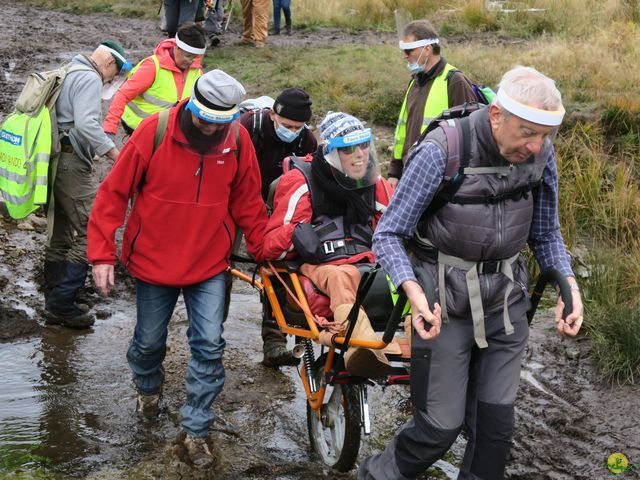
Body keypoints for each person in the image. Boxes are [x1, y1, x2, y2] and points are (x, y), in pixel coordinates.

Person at [358, 66, 584, 479]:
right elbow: (388, 234)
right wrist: (413, 291)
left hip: (505, 306)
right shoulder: (444, 149)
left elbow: (547, 231)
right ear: (496, 116)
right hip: (443, 309)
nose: (535, 147)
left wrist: (568, 284)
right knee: (438, 429)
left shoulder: (540, 154)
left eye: (544, 136)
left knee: (494, 432)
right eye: (526, 133)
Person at [87, 69, 267, 465]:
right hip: (153, 260)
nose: (209, 128)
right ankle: (148, 389)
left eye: (219, 122)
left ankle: (195, 429)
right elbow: (112, 194)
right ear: (193, 106)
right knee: (150, 341)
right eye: (204, 119)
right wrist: (101, 254)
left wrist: (265, 249)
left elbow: (249, 202)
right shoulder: (153, 132)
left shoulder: (237, 140)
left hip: (208, 263)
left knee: (209, 344)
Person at [262, 111, 401, 378]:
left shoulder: (377, 185)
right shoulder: (301, 182)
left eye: (363, 145)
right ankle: (361, 347)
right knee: (341, 276)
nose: (360, 154)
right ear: (332, 153)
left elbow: (397, 227)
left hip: (366, 263)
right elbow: (269, 245)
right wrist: (295, 234)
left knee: (418, 273)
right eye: (349, 149)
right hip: (321, 265)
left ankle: (423, 350)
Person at [43, 41, 129, 329]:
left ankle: (54, 295)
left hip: (53, 159)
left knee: (61, 230)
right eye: (114, 74)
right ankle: (62, 304)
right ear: (109, 64)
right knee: (90, 229)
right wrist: (114, 153)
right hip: (71, 163)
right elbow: (87, 124)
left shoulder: (68, 71)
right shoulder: (91, 77)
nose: (111, 81)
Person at [239, 87, 317, 367]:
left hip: (278, 208)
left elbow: (311, 179)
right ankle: (209, 333)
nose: (292, 131)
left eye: (298, 127)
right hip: (238, 200)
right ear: (273, 115)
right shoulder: (248, 127)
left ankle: (274, 343)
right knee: (221, 265)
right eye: (286, 126)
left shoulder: (307, 140)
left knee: (277, 270)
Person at [388, 19, 477, 188]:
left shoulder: (455, 81)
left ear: (427, 49)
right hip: (410, 174)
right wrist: (395, 171)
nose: (405, 55)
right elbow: (402, 131)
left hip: (439, 180)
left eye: (409, 50)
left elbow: (469, 137)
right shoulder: (414, 81)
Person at [103, 23, 206, 137]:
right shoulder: (152, 67)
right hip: (141, 132)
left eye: (195, 57)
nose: (191, 61)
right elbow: (123, 95)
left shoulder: (197, 72)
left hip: (171, 133)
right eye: (188, 56)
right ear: (176, 47)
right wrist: (109, 129)